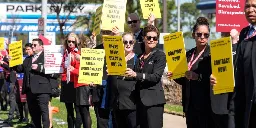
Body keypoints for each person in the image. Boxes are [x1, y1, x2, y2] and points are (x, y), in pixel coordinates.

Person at [211, 0, 256, 127]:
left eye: (254, 6)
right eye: (247, 6)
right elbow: (237, 68)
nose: (250, 10)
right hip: (244, 102)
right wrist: (218, 78)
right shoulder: (245, 33)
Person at [166, 17, 215, 128]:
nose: (202, 37)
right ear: (193, 35)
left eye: (206, 35)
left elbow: (215, 79)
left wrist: (198, 77)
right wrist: (174, 76)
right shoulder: (188, 54)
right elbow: (185, 80)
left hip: (206, 106)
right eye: (199, 34)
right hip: (189, 105)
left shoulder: (212, 54)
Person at [125, 25, 166, 128]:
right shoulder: (140, 56)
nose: (152, 40)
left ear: (157, 40)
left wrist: (136, 75)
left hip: (154, 102)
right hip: (139, 102)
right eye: (149, 37)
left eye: (155, 38)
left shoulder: (160, 55)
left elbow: (156, 77)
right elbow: (127, 44)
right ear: (144, 38)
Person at [15, 38, 52, 128]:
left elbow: (53, 70)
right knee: (34, 114)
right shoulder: (28, 59)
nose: (32, 46)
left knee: (44, 113)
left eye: (35, 45)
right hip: (30, 91)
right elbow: (20, 69)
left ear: (41, 47)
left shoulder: (47, 56)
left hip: (42, 90)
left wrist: (39, 68)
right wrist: (14, 61)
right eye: (32, 45)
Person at [110, 32, 138, 128]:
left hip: (132, 104)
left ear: (134, 43)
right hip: (117, 104)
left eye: (131, 42)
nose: (128, 44)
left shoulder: (137, 60)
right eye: (125, 42)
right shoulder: (115, 60)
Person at [68, 35, 92, 128]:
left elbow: (86, 71)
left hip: (83, 84)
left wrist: (73, 69)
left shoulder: (85, 54)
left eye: (77, 43)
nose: (75, 45)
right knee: (80, 111)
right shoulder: (77, 53)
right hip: (77, 84)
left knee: (84, 111)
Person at [60, 32, 82, 128]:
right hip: (66, 82)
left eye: (73, 42)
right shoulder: (63, 52)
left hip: (76, 83)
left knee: (78, 110)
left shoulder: (79, 53)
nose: (71, 43)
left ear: (76, 42)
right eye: (69, 41)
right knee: (69, 111)